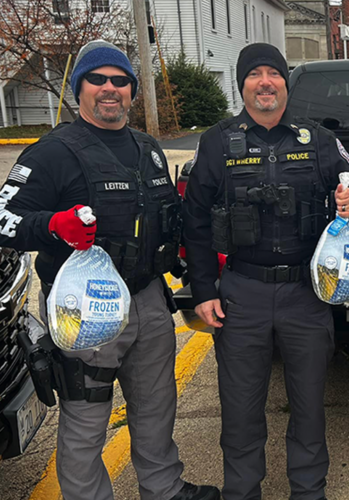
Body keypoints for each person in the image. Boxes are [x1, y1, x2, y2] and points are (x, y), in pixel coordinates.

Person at [0, 40, 219, 500]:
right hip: (85, 308)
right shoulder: (51, 153)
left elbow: (164, 216)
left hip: (147, 299)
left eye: (120, 81)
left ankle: (164, 488)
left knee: (156, 407)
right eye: (97, 79)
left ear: (132, 92)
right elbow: (4, 221)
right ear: (79, 88)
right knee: (86, 419)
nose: (109, 89)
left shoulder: (148, 149)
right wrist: (53, 226)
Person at [182, 43, 349, 500]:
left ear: (286, 84)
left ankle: (309, 491)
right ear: (242, 84)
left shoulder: (318, 139)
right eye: (255, 74)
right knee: (241, 409)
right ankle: (242, 490)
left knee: (307, 407)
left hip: (305, 294)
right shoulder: (216, 141)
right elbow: (196, 220)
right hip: (241, 291)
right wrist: (204, 288)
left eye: (274, 73)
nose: (265, 82)